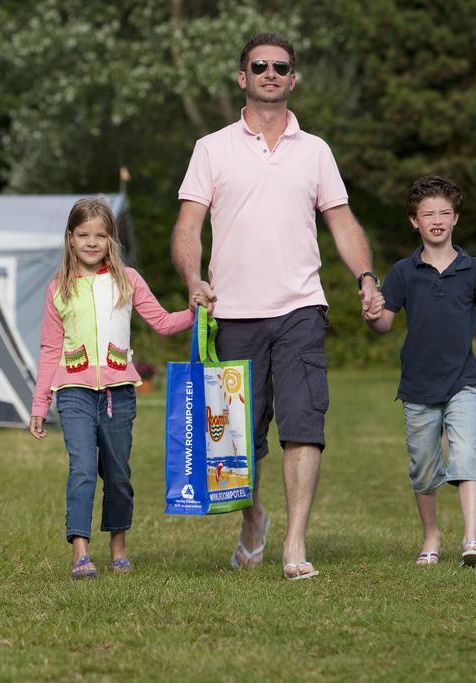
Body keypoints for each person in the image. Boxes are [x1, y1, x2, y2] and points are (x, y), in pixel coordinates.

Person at [171, 32, 382, 580]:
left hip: (300, 309)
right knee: (236, 444)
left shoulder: (315, 151)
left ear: (293, 79)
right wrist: (194, 278)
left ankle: (294, 544)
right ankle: (253, 520)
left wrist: (364, 276)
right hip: (232, 313)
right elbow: (188, 227)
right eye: (259, 65)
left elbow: (341, 222)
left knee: (303, 424)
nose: (270, 73)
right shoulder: (211, 148)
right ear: (243, 77)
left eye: (280, 66)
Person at [365, 175, 476, 568]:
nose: (436, 219)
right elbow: (384, 324)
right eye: (428, 214)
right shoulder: (403, 272)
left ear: (456, 218)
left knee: (466, 453)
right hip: (418, 384)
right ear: (414, 222)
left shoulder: (475, 270)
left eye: (444, 212)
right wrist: (372, 315)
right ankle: (431, 536)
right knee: (424, 468)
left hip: (464, 381)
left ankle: (472, 540)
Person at [30, 198, 196, 579]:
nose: (92, 242)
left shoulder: (128, 280)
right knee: (83, 467)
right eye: (84, 235)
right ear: (70, 239)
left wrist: (198, 311)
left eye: (100, 236)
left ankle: (118, 546)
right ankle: (80, 552)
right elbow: (50, 349)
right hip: (73, 392)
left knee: (118, 473)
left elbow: (164, 322)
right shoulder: (58, 288)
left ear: (111, 240)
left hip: (119, 393)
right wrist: (40, 403)